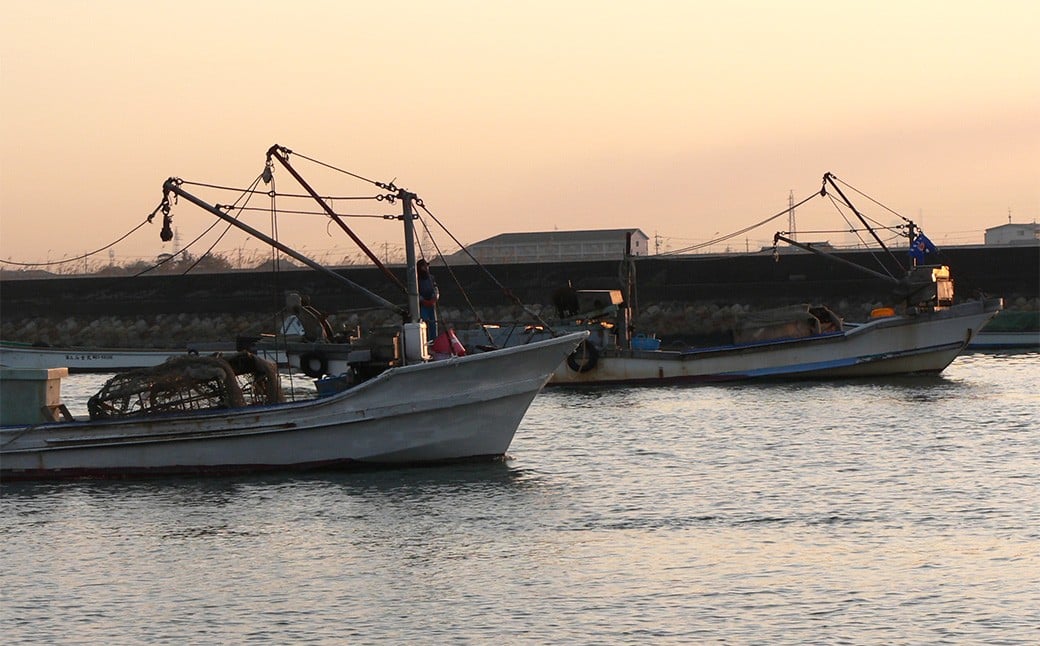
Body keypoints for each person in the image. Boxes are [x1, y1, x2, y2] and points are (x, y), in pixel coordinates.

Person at [417, 259, 439, 337]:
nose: (426, 268)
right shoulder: (417, 279)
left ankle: (434, 340)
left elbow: (435, 289)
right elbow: (416, 293)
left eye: (427, 266)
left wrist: (434, 298)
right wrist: (423, 300)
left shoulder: (431, 278)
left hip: (431, 304)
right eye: (424, 266)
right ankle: (426, 339)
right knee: (424, 323)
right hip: (422, 305)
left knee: (433, 323)